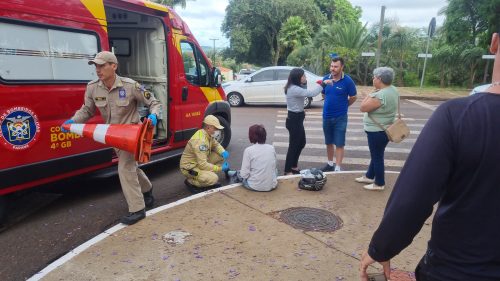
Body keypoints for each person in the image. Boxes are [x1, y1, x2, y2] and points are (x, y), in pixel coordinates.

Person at [359, 29, 500, 281]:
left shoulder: (457, 116)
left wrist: (381, 248)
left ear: (494, 42)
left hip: (456, 269)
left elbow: (413, 197)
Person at [62, 51, 161, 225]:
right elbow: (87, 110)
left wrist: (153, 116)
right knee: (131, 168)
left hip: (133, 136)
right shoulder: (93, 87)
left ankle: (137, 209)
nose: (98, 69)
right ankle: (147, 190)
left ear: (113, 66)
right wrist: (73, 121)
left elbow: (153, 102)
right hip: (113, 137)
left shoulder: (130, 86)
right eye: (96, 66)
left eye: (101, 65)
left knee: (124, 168)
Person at [356, 67, 399, 191]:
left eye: (374, 77)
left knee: (377, 157)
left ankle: (379, 183)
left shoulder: (381, 95)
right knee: (376, 154)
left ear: (379, 79)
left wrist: (370, 95)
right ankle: (370, 176)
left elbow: (363, 107)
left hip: (377, 131)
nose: (373, 79)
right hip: (385, 128)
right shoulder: (393, 89)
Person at [320, 56, 357, 172]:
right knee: (329, 142)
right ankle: (330, 164)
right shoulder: (325, 79)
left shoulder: (348, 81)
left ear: (342, 67)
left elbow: (353, 97)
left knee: (339, 143)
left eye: (336, 66)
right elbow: (323, 94)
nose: (333, 68)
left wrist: (344, 105)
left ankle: (337, 167)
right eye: (331, 66)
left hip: (340, 117)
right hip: (326, 116)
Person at [284, 68, 324, 175]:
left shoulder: (295, 87)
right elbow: (311, 93)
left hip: (297, 119)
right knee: (293, 145)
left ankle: (294, 166)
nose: (305, 78)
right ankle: (288, 170)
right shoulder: (294, 89)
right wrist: (323, 84)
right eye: (303, 76)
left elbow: (304, 91)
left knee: (301, 143)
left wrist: (305, 83)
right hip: (294, 120)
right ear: (297, 78)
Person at [180, 115, 230, 192]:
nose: (217, 130)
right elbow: (203, 164)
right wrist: (220, 168)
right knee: (214, 179)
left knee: (220, 155)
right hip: (189, 168)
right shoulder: (201, 141)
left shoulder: (207, 134)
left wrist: (222, 151)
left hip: (198, 162)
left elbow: (215, 144)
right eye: (215, 128)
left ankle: (205, 173)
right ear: (208, 127)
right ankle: (190, 181)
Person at [229, 124, 278, 192]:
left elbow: (244, 175)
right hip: (272, 185)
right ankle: (234, 172)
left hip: (254, 186)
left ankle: (233, 176)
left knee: (239, 175)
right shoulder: (271, 148)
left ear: (251, 136)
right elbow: (274, 167)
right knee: (275, 171)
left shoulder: (248, 150)